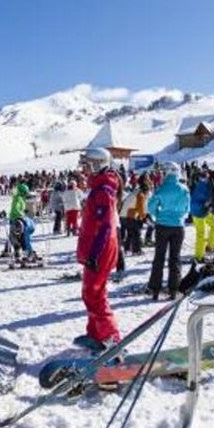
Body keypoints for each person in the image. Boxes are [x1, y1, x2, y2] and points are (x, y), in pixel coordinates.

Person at [75, 147, 121, 349]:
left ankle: (111, 338)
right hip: (96, 247)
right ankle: (95, 333)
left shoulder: (103, 191)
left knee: (95, 294)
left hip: (100, 249)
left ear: (96, 164)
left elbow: (106, 226)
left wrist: (94, 254)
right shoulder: (98, 187)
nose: (83, 169)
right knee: (90, 292)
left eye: (86, 165)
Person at [147, 162, 190, 300]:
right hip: (178, 226)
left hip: (162, 225)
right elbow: (186, 209)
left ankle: (155, 289)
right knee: (175, 258)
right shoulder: (184, 189)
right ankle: (174, 289)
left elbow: (151, 207)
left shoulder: (161, 189)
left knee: (159, 257)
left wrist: (158, 215)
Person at [189, 168, 214, 263]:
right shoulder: (206, 186)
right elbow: (209, 198)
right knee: (201, 234)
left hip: (200, 210)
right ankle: (199, 256)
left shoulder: (199, 184)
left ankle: (210, 246)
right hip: (199, 211)